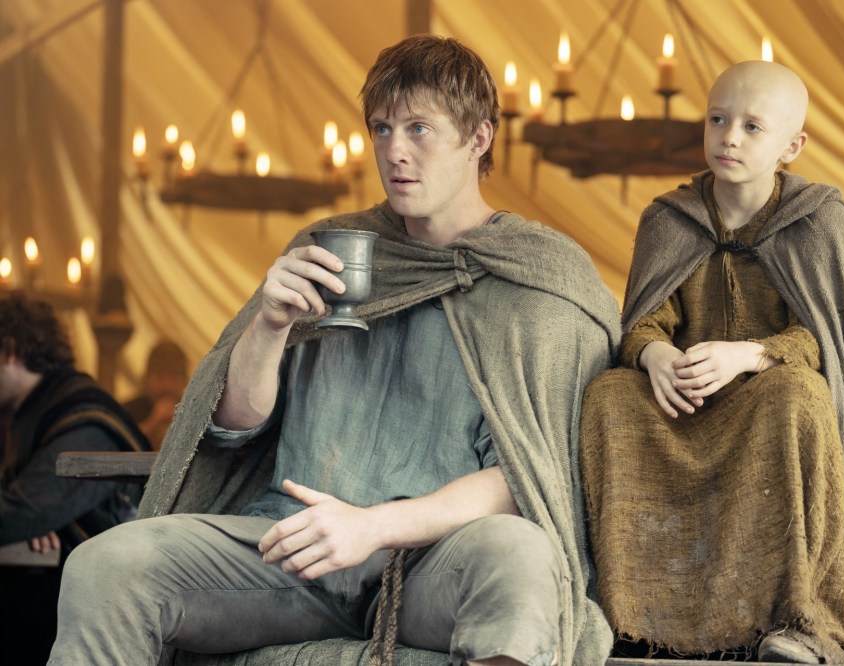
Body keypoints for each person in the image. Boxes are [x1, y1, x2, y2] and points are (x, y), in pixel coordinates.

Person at [49, 35, 619, 666]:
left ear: (478, 138)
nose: (395, 150)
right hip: (293, 551)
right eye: (381, 128)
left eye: (419, 128)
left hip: (432, 564)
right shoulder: (326, 251)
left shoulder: (539, 282)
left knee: (521, 554)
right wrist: (269, 327)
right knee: (106, 564)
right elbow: (234, 427)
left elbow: (530, 472)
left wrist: (372, 526)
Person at [579, 61, 844, 664]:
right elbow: (643, 321)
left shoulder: (818, 218)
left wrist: (750, 355)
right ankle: (632, 622)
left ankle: (803, 626)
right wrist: (656, 355)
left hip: (766, 409)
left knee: (798, 393)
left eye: (752, 127)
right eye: (718, 120)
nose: (729, 138)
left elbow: (827, 340)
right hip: (685, 407)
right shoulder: (668, 218)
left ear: (791, 146)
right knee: (609, 395)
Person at [0, 292, 150, 665]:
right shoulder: (33, 412)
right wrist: (31, 521)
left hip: (104, 612)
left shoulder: (83, 419)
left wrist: (28, 521)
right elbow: (26, 510)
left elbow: (19, 512)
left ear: (9, 351)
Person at [123, 339, 189, 450]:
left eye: (174, 376)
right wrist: (154, 421)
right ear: (146, 378)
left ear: (185, 380)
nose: (167, 384)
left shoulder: (196, 410)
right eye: (160, 376)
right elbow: (121, 445)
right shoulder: (129, 410)